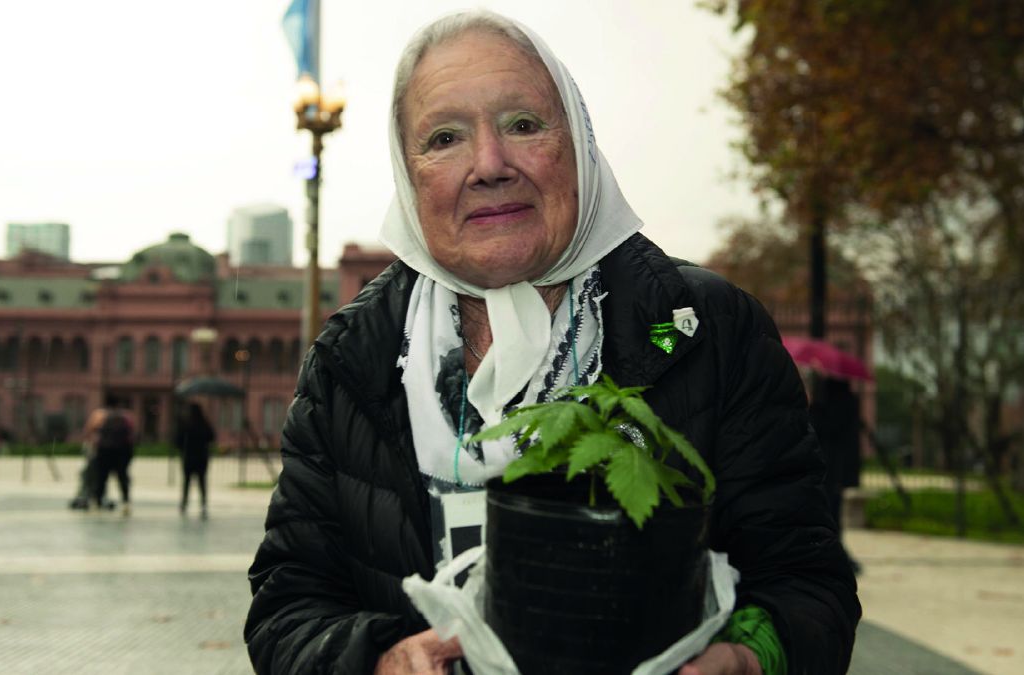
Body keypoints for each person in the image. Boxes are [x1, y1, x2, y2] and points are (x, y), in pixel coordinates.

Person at [246, 11, 860, 675]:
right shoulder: (352, 358)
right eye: (445, 137)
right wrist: (379, 659)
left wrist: (749, 658)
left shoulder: (709, 328)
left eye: (523, 124)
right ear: (407, 172)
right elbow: (288, 606)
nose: (489, 164)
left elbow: (807, 582)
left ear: (579, 141)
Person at [809, 376, 864, 575]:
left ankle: (826, 554)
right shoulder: (850, 403)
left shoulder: (821, 406)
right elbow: (851, 442)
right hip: (838, 470)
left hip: (822, 468)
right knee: (833, 514)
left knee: (823, 514)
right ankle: (834, 553)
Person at [84, 395, 135, 516]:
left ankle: (97, 502)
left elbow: (89, 431)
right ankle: (126, 502)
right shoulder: (126, 416)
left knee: (101, 478)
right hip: (122, 452)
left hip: (104, 451)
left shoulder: (99, 415)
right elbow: (132, 435)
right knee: (122, 478)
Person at [174, 401, 216, 519]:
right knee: (202, 482)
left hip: (188, 456)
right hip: (202, 456)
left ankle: (184, 503)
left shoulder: (186, 424)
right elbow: (211, 437)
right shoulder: (204, 423)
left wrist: (183, 449)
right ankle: (203, 504)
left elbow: (178, 441)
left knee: (187, 482)